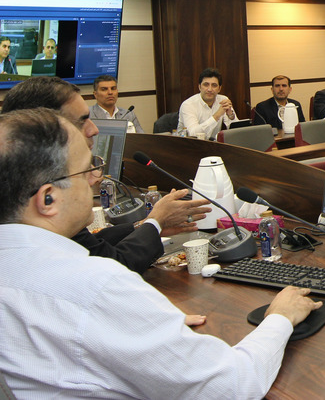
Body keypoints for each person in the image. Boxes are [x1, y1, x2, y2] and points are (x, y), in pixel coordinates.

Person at [0, 108, 321, 398]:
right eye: (87, 170)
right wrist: (280, 317)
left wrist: (146, 322)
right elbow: (232, 386)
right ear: (48, 199)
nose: (96, 180)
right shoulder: (95, 286)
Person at [1, 76, 209, 273]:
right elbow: (114, 265)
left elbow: (91, 243)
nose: (94, 129)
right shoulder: (48, 200)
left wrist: (147, 225)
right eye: (81, 121)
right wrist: (155, 221)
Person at [178, 68, 236, 140]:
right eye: (206, 85)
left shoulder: (223, 100)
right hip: (188, 144)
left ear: (219, 89)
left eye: (214, 85)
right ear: (199, 87)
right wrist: (217, 115)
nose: (210, 89)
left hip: (212, 144)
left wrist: (230, 115)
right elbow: (193, 134)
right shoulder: (188, 105)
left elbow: (236, 131)